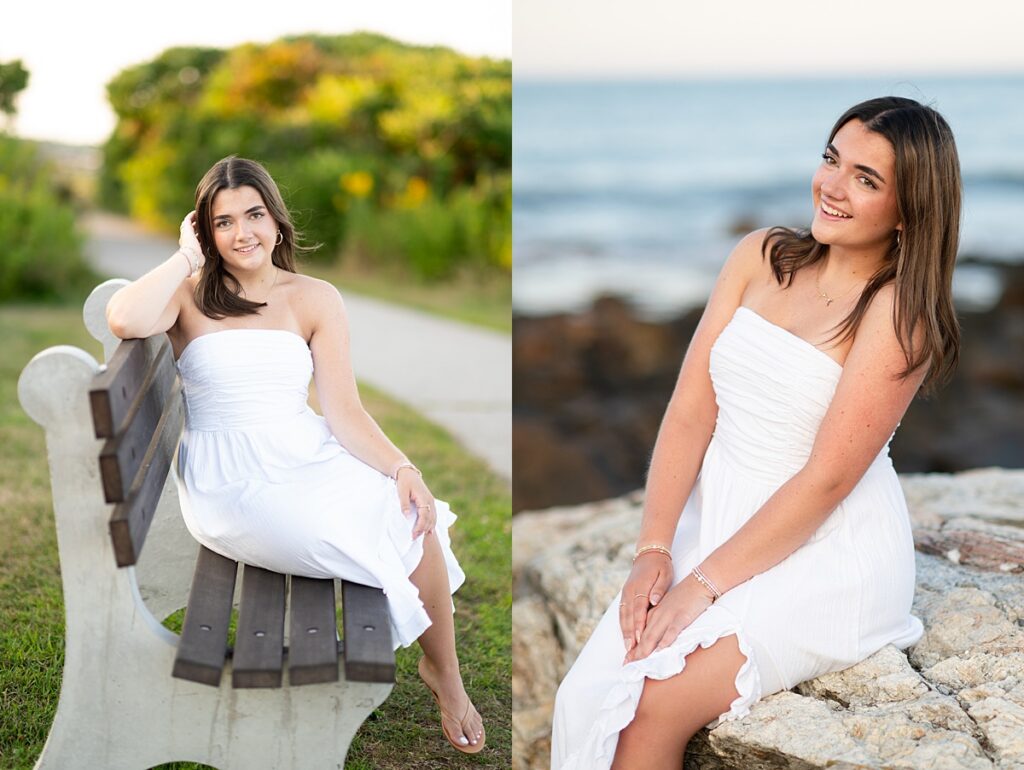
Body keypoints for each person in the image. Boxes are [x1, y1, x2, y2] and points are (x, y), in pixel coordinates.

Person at [550, 96, 961, 769]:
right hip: (719, 522)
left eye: (866, 179)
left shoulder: (897, 313)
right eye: (833, 159)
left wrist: (702, 586)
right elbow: (690, 408)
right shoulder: (759, 256)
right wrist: (654, 549)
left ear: (910, 209)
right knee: (586, 696)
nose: (831, 186)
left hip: (828, 551)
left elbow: (827, 478)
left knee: (651, 704)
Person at [105, 155, 485, 754]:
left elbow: (344, 411)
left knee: (414, 513)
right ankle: (433, 659)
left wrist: (402, 468)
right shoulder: (186, 295)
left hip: (305, 450)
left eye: (253, 214)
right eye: (223, 222)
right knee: (357, 528)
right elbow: (123, 317)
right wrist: (185, 256)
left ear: (276, 220)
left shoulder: (314, 297)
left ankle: (445, 673)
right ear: (206, 232)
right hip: (231, 480)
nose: (243, 232)